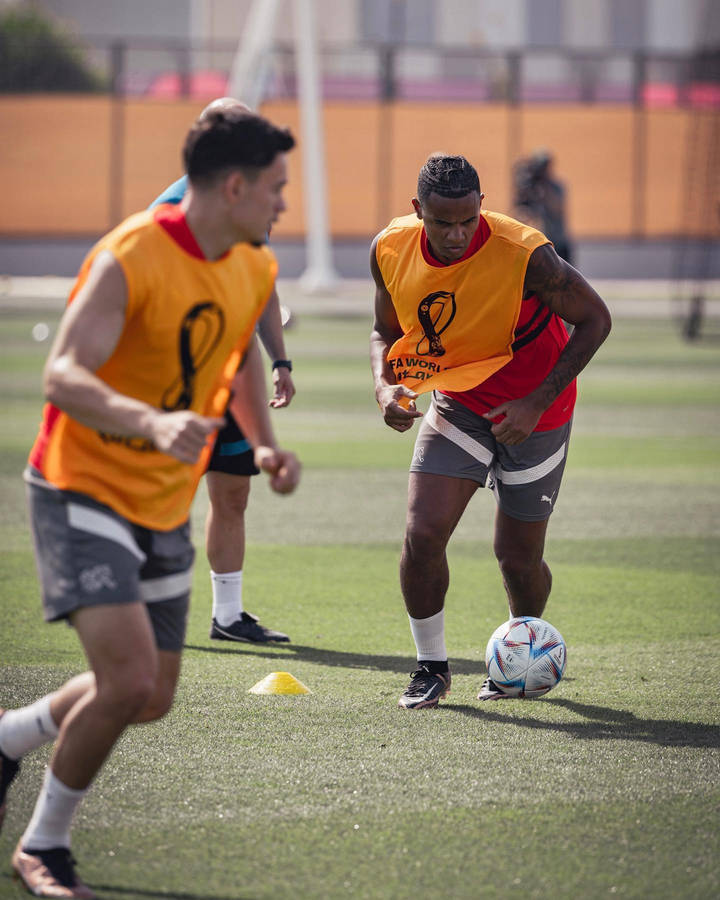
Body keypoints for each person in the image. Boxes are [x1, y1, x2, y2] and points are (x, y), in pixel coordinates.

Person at [0, 107, 300, 898]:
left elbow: (236, 359)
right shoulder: (131, 254)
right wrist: (151, 421)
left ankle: (8, 739)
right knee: (129, 680)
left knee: (151, 697)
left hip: (161, 503)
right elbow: (63, 374)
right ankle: (44, 845)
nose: (283, 204)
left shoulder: (252, 265)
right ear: (233, 186)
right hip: (81, 488)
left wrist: (262, 444)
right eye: (276, 188)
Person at [369, 152, 611, 710]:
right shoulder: (390, 248)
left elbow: (595, 319)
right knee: (423, 533)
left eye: (467, 220)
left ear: (483, 205)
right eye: (442, 223)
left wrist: (535, 403)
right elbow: (384, 330)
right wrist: (385, 387)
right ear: (417, 210)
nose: (457, 235)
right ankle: (431, 667)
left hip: (538, 413)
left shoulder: (526, 254)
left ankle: (519, 656)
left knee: (517, 559)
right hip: (459, 403)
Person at [152, 97, 296, 646]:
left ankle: (228, 616)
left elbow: (256, 295)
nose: (280, 203)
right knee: (166, 498)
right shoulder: (164, 224)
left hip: (227, 381)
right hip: (173, 391)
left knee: (232, 493)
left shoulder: (250, 212)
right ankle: (145, 612)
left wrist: (279, 360)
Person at [512, 149, 573, 264]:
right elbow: (522, 215)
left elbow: (556, 208)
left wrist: (545, 187)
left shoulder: (556, 187)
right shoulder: (532, 188)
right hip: (542, 245)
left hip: (559, 243)